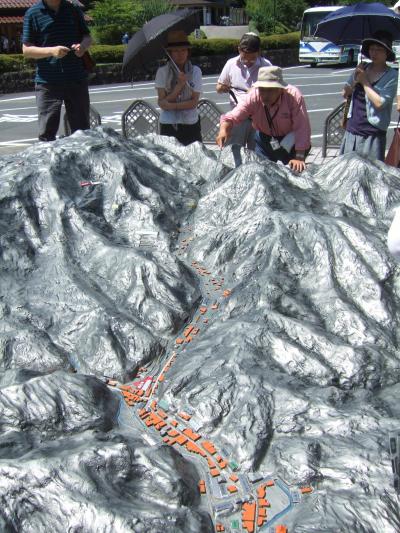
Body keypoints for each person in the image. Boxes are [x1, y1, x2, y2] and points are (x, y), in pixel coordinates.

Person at [216, 66, 311, 173]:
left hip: (291, 140)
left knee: (294, 172)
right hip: (265, 139)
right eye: (262, 90)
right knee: (261, 172)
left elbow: (302, 127)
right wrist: (223, 130)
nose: (265, 95)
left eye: (270, 90)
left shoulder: (293, 96)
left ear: (280, 89)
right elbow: (232, 116)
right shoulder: (253, 96)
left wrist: (299, 157)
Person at [22, 0, 93, 142]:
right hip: (47, 82)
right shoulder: (33, 13)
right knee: (46, 135)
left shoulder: (73, 9)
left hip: (76, 78)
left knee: (82, 132)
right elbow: (26, 50)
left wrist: (83, 46)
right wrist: (52, 51)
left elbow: (87, 36)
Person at [340, 31, 397, 162]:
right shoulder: (362, 68)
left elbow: (380, 103)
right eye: (372, 49)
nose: (374, 53)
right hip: (353, 128)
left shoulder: (392, 75)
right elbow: (344, 93)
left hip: (372, 132)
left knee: (371, 172)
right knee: (348, 170)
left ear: (387, 53)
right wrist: (355, 78)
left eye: (379, 49)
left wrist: (364, 81)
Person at [216, 32, 271, 149]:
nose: (247, 62)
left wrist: (257, 91)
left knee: (257, 154)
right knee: (234, 151)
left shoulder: (266, 66)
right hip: (237, 117)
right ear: (239, 49)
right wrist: (223, 87)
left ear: (259, 52)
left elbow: (275, 93)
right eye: (244, 58)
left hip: (259, 119)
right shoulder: (231, 64)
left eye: (252, 59)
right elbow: (218, 87)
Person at [155, 30, 202, 146]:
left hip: (190, 122)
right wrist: (179, 86)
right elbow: (162, 102)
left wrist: (171, 106)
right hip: (168, 123)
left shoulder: (195, 71)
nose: (180, 54)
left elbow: (193, 102)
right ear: (170, 53)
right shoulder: (162, 72)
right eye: (176, 51)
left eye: (183, 50)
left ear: (188, 52)